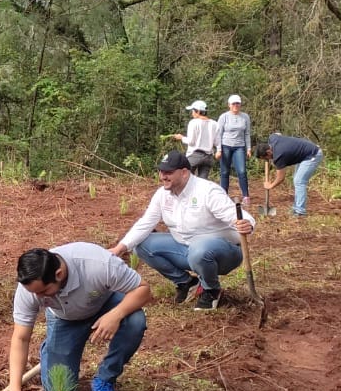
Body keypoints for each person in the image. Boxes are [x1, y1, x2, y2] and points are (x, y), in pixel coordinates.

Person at [7, 244, 151, 391]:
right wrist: (14, 389)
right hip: (65, 318)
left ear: (58, 274)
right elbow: (21, 338)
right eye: (35, 293)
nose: (38, 297)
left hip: (104, 304)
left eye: (44, 291)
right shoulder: (30, 291)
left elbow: (144, 290)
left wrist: (116, 314)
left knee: (135, 321)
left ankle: (104, 380)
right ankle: (52, 351)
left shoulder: (98, 264)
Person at [109, 150, 255, 311]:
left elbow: (236, 215)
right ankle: (186, 282)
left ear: (184, 173)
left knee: (199, 250)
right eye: (161, 171)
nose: (163, 176)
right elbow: (145, 223)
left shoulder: (207, 191)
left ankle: (211, 290)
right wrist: (119, 248)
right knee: (140, 244)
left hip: (224, 253)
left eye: (169, 172)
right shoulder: (162, 195)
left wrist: (246, 223)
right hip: (185, 248)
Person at [254, 135, 323, 217]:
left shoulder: (279, 156)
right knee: (296, 180)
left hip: (312, 154)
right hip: (304, 154)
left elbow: (281, 178)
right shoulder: (272, 138)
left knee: (299, 181)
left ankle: (300, 212)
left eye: (266, 158)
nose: (268, 160)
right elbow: (277, 134)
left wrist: (270, 186)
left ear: (269, 152)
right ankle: (296, 208)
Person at [214, 94, 253, 203]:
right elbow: (218, 134)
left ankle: (245, 195)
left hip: (239, 147)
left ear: (240, 104)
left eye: (238, 103)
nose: (236, 105)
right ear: (229, 105)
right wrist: (218, 149)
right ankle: (224, 195)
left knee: (242, 171)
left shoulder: (245, 117)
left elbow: (247, 134)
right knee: (225, 171)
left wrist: (248, 148)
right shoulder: (224, 117)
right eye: (233, 104)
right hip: (225, 146)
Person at [171, 100, 217, 180]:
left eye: (193, 111)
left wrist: (181, 137)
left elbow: (191, 142)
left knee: (185, 179)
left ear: (198, 111)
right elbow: (217, 141)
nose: (192, 113)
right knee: (202, 182)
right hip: (208, 157)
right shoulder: (214, 124)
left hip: (194, 155)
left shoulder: (193, 123)